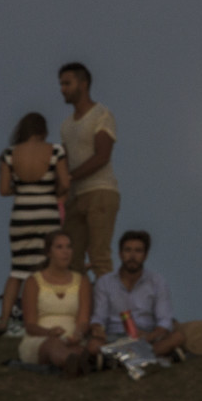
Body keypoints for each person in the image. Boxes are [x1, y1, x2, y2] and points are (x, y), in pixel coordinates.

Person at [0, 112, 70, 334]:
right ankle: (47, 317)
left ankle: (3, 321)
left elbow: (4, 189)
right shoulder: (55, 151)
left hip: (21, 215)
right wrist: (51, 190)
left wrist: (24, 189)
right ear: (43, 130)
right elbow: (64, 183)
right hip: (47, 214)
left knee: (17, 271)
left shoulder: (10, 154)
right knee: (49, 268)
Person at [59, 62, 120, 279]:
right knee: (71, 257)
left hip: (100, 192)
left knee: (99, 256)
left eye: (67, 83)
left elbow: (102, 156)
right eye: (61, 84)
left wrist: (70, 177)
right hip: (75, 196)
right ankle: (80, 308)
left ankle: (108, 309)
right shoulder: (66, 125)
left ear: (83, 84)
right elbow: (64, 160)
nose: (63, 89)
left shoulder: (101, 115)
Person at [87, 230, 185, 359]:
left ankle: (118, 359)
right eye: (128, 250)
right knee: (93, 345)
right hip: (115, 336)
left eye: (138, 251)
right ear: (120, 254)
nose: (132, 256)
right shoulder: (105, 282)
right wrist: (97, 328)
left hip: (147, 335)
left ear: (145, 255)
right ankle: (150, 355)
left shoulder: (157, 282)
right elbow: (99, 317)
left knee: (178, 337)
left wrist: (150, 336)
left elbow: (164, 320)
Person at [18, 230, 91, 375]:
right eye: (59, 247)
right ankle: (72, 363)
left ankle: (73, 361)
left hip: (71, 339)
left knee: (80, 347)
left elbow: (83, 319)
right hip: (41, 339)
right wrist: (49, 332)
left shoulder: (81, 281)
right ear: (49, 252)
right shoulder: (34, 281)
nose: (65, 252)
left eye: (68, 247)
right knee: (53, 344)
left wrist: (78, 333)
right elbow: (30, 325)